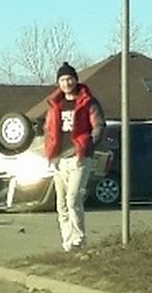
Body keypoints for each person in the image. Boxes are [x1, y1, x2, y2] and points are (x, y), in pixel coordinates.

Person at [43, 62, 106, 251]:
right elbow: (48, 130)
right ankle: (68, 242)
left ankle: (79, 239)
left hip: (79, 158)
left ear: (76, 80)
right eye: (62, 80)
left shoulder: (88, 102)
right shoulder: (55, 105)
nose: (66, 83)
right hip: (59, 160)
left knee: (73, 199)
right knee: (61, 204)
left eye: (69, 78)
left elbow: (99, 126)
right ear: (58, 83)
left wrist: (88, 145)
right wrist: (49, 154)